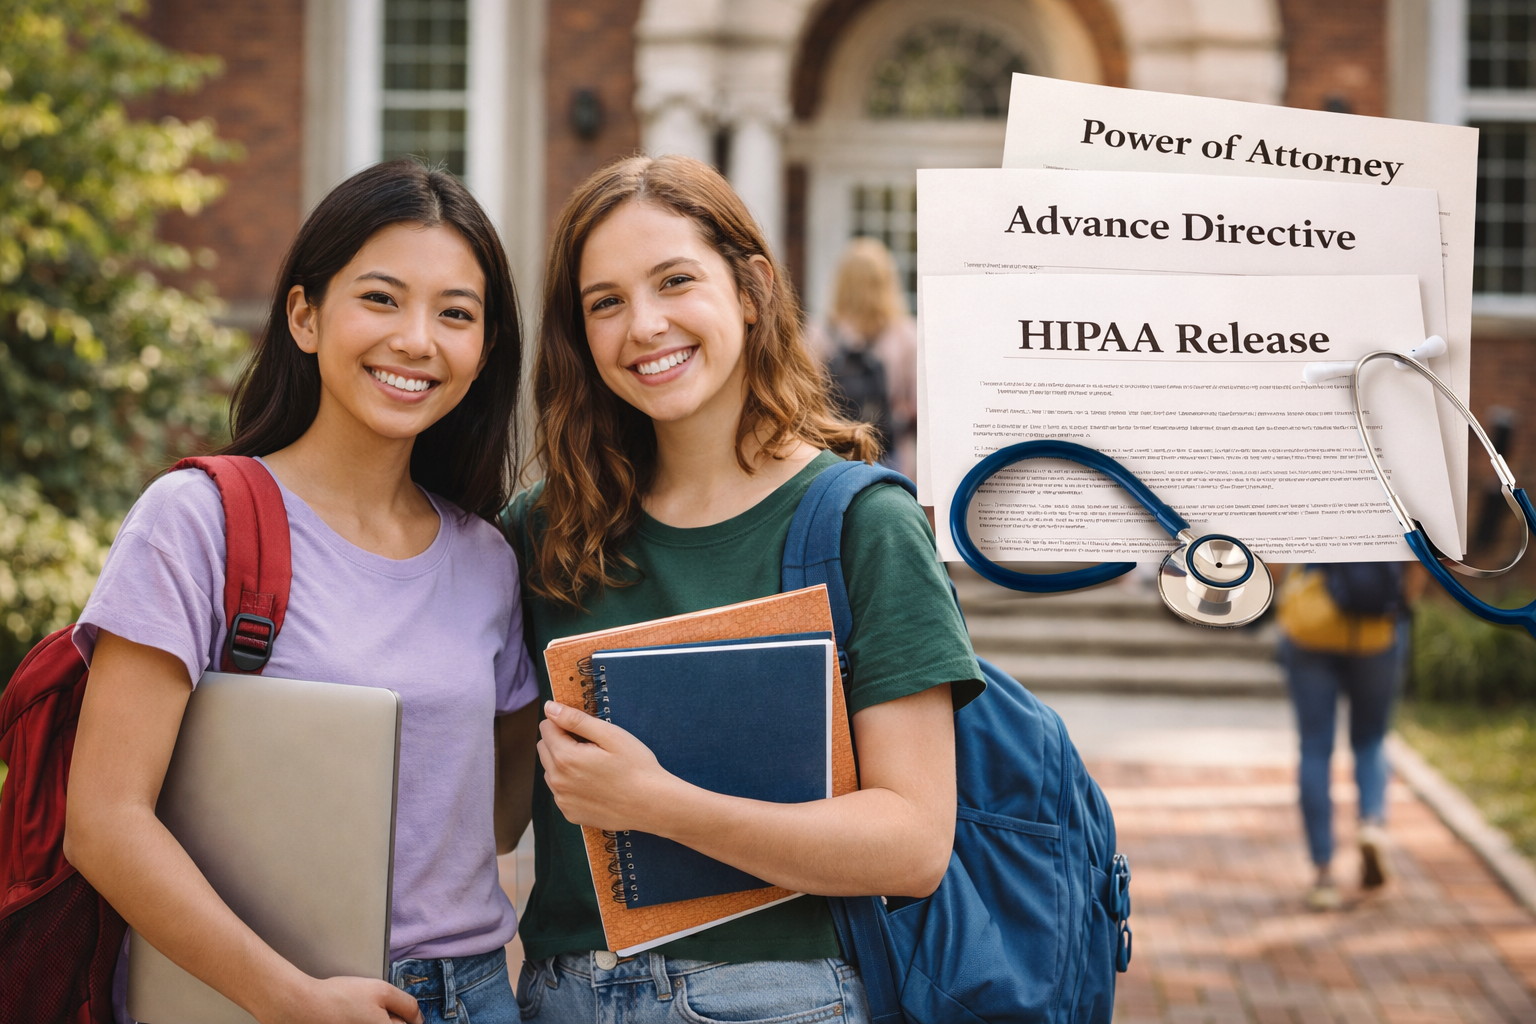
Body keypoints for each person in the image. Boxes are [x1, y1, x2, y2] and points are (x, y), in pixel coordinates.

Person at [504, 155, 984, 1023]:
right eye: (604, 301)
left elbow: (912, 844)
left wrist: (660, 808)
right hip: (562, 993)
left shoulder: (861, 524)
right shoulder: (543, 528)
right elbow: (493, 809)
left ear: (753, 287)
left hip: (776, 996)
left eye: (675, 281)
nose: (644, 325)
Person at [63, 159, 542, 1024]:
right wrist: (292, 998)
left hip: (469, 996)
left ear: (485, 350)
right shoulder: (196, 522)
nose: (418, 340)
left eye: (457, 314)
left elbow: (490, 816)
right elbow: (102, 820)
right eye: (382, 298)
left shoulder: (488, 558)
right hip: (248, 991)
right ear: (305, 315)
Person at [1274, 560, 1422, 911]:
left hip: (1311, 622)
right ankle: (1371, 823)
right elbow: (1421, 562)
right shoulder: (1395, 501)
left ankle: (1324, 873)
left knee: (1314, 747)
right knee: (1371, 739)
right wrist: (1402, 604)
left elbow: (1274, 562)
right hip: (1378, 626)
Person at [805, 238, 918, 478]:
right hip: (890, 455)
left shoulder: (820, 334)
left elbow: (804, 399)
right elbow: (917, 408)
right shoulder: (905, 336)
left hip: (832, 456)